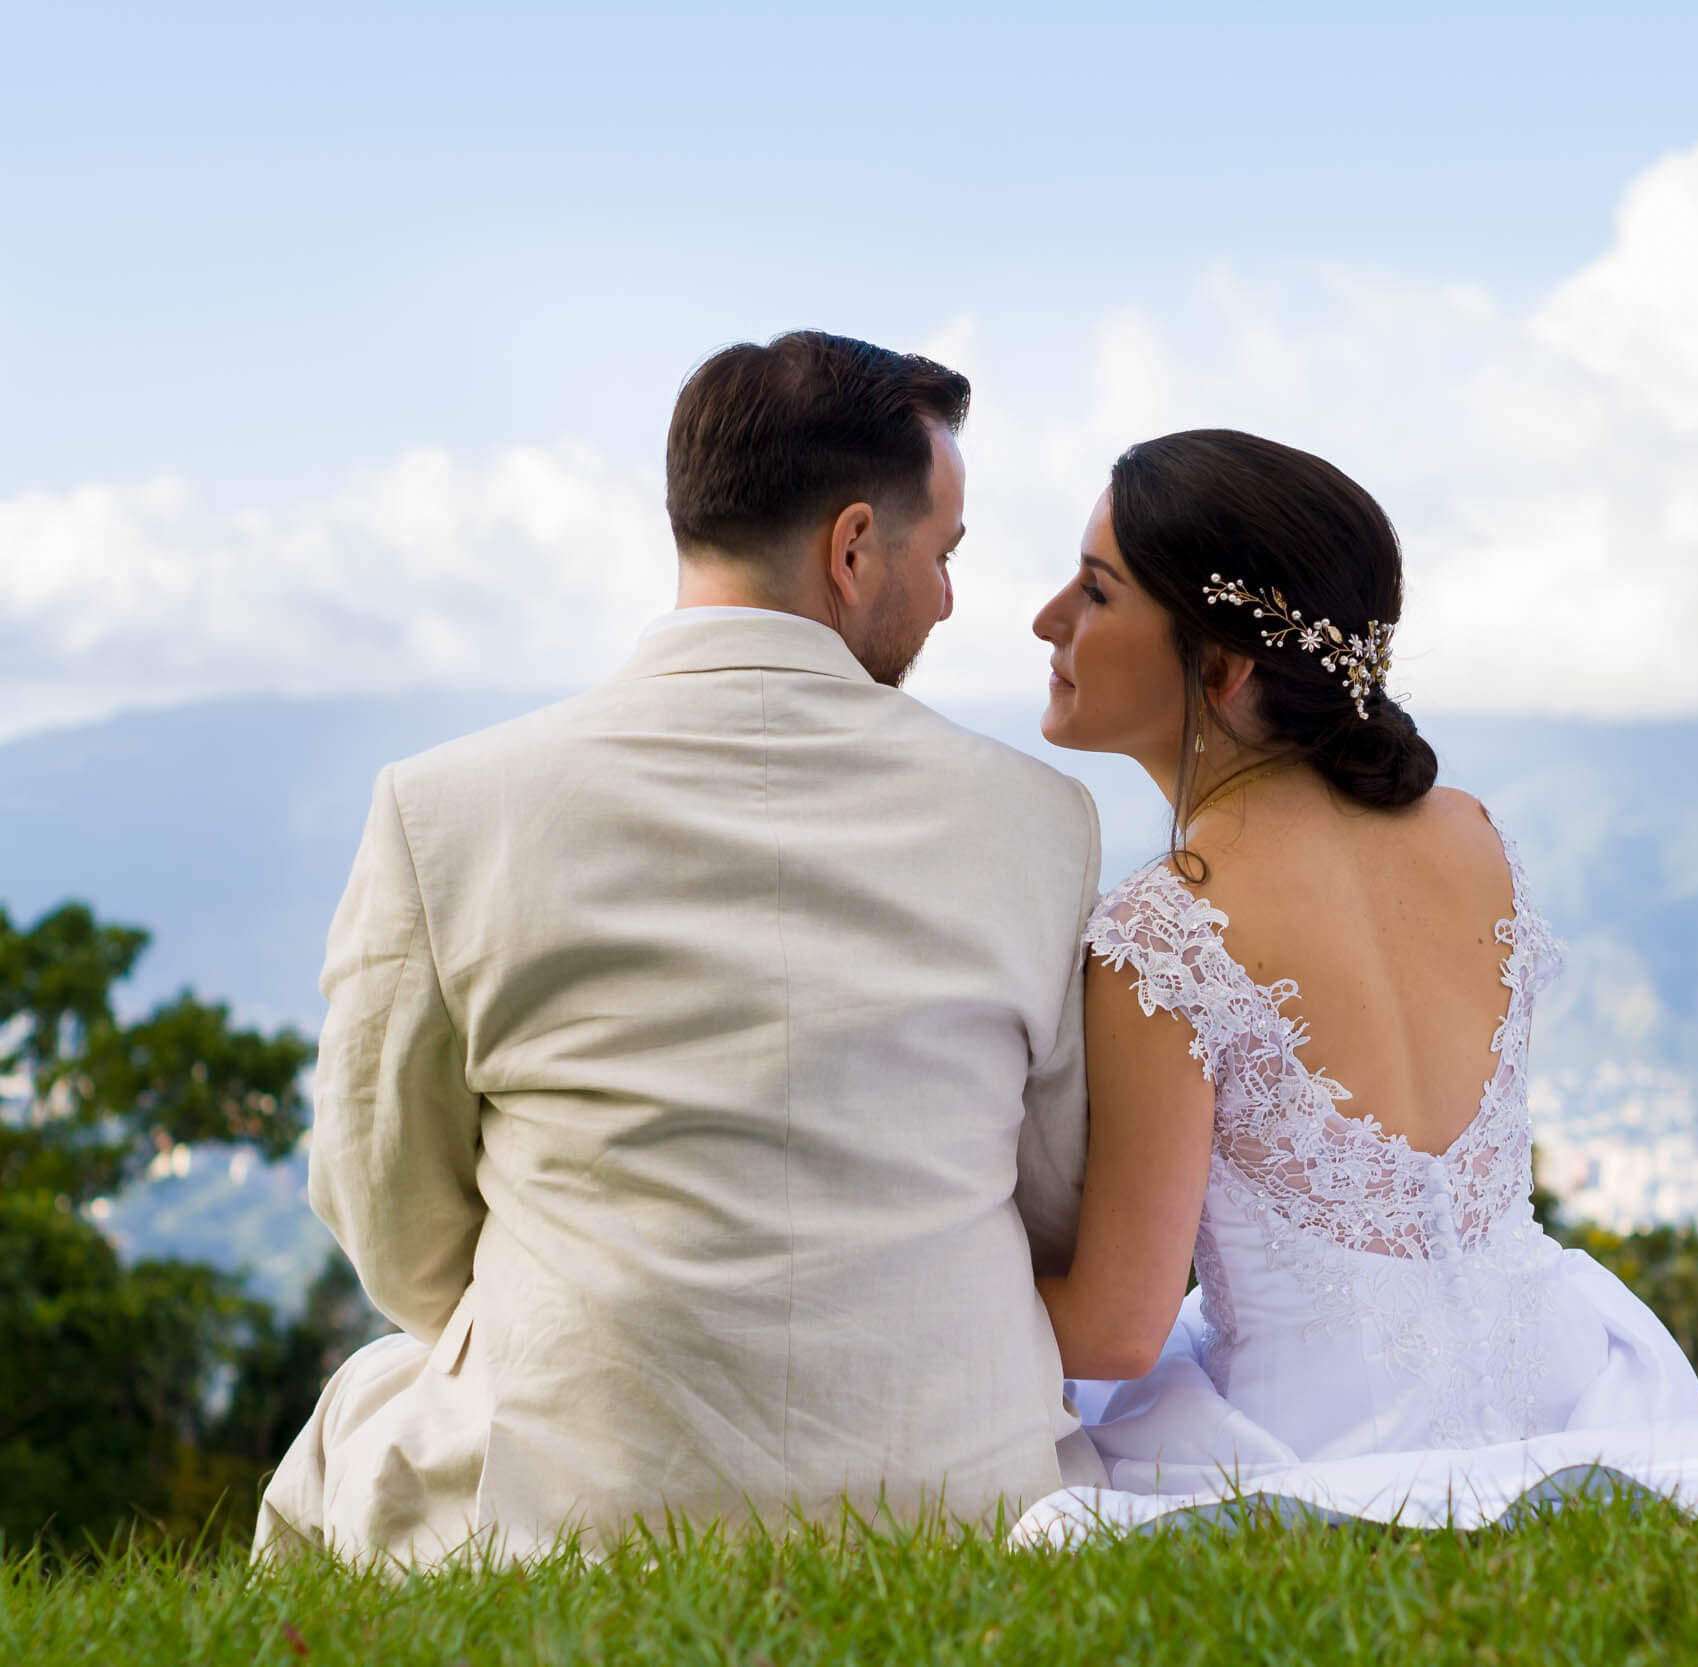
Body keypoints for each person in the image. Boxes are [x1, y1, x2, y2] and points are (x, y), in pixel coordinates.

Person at [1018, 430, 1698, 1539]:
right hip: (1571, 1387)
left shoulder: (1166, 929)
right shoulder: (1468, 835)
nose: (1047, 619)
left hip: (1312, 1439)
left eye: (1095, 589)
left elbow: (1119, 1331)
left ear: (1219, 666)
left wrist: (900, 1282)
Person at [255, 333, 1104, 1566]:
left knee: (366, 1403)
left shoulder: (445, 808)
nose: (951, 599)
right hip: (955, 1482)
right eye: (945, 556)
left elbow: (381, 1196)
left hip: (578, 1495)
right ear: (854, 547)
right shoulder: (1037, 820)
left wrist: (583, 1322)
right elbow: (1055, 1206)